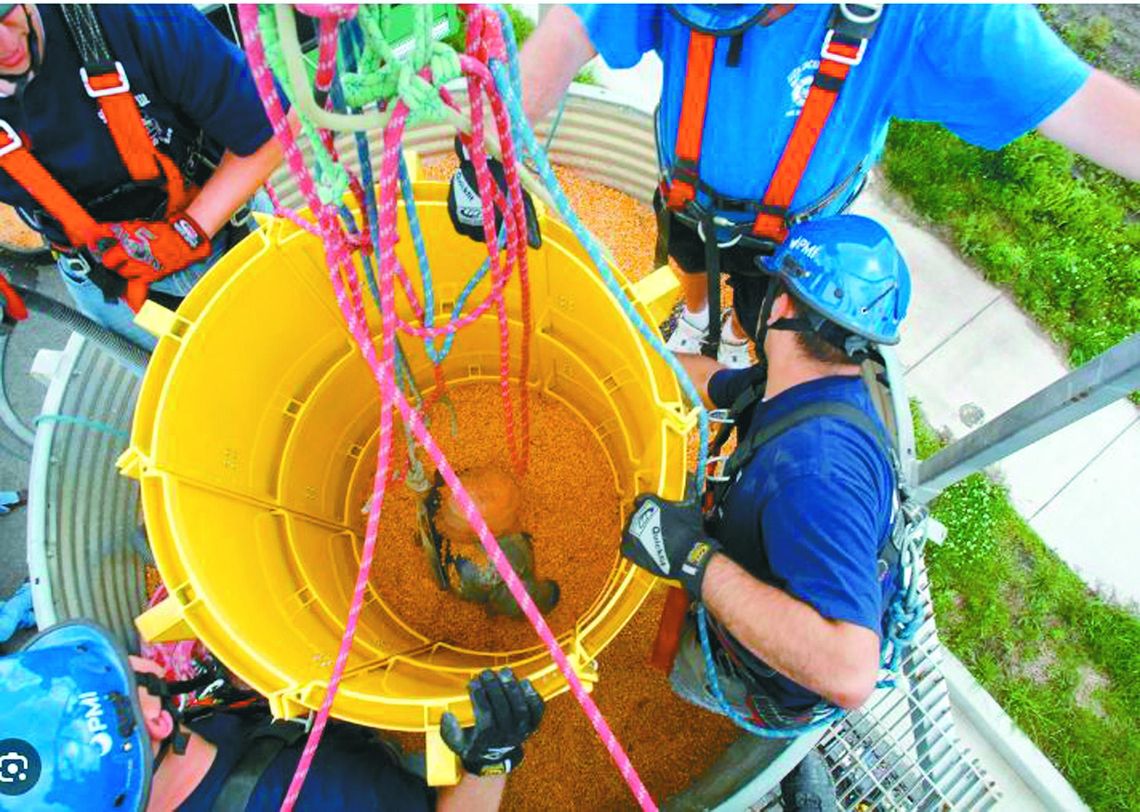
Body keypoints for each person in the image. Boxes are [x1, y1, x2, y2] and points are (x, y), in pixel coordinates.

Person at [500, 3, 1140, 367]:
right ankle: (697, 318)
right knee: (686, 253)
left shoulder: (936, 15)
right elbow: (567, 32)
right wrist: (497, 149)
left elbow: (1082, 105)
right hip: (687, 190)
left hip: (799, 231)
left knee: (770, 317)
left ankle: (744, 349)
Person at [620, 214, 910, 809]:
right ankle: (795, 762)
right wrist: (634, 357)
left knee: (697, 675)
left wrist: (693, 559)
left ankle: (779, 750)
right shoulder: (802, 383)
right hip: (786, 562)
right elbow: (715, 383)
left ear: (778, 306)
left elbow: (849, 672)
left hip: (780, 675)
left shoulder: (817, 475)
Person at [0, 619, 545, 811]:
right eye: (127, 670)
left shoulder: (167, 763)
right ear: (158, 723)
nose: (139, 656)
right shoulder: (333, 796)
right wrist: (487, 762)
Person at [0, 3, 287, 349]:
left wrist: (188, 232)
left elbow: (273, 125)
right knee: (206, 398)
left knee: (303, 343)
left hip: (230, 231)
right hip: (107, 287)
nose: (5, 44)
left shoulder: (128, 15)